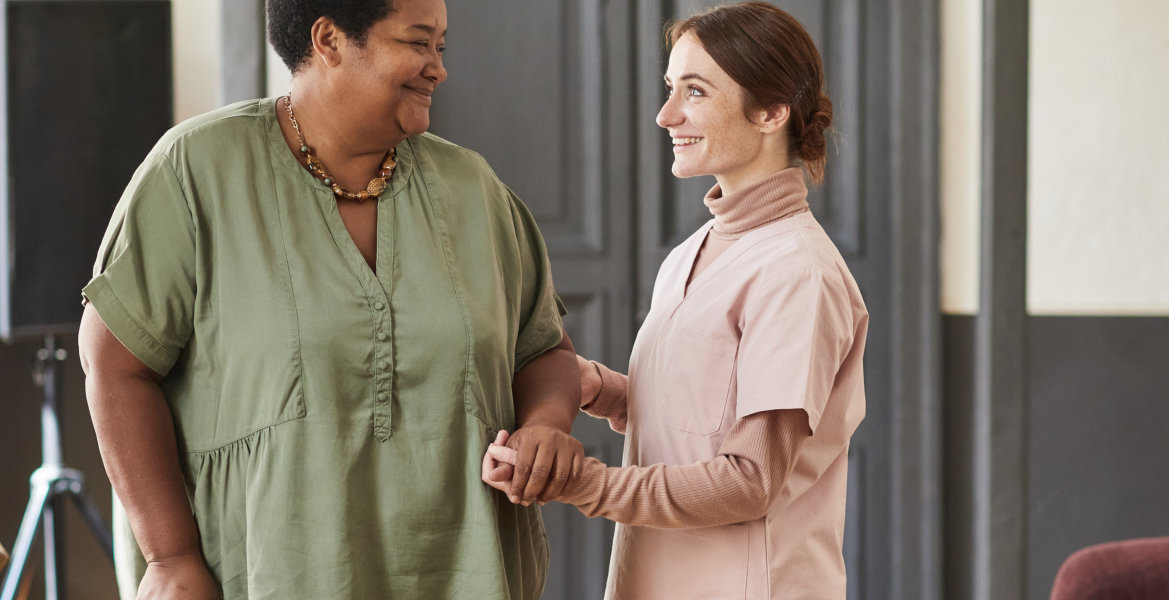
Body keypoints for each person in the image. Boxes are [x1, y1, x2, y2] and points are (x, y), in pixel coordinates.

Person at [78, 0, 584, 597]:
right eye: (418, 43)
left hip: (459, 572)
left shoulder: (472, 188)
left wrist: (547, 425)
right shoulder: (197, 170)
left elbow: (543, 349)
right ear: (330, 39)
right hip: (264, 571)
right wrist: (169, 555)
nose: (437, 69)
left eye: (441, 48)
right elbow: (114, 366)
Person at [482, 3, 867, 598]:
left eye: (695, 91)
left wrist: (581, 482)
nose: (666, 115)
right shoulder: (694, 251)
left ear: (770, 112)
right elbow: (705, 413)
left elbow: (749, 479)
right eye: (670, 88)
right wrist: (596, 389)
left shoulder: (798, 272)